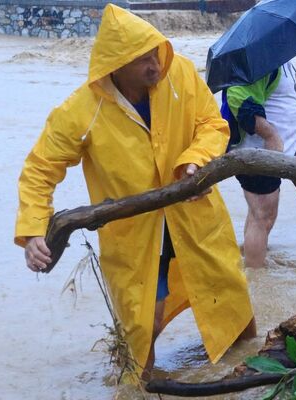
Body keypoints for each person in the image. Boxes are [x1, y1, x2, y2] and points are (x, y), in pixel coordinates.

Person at [15, 4, 255, 381]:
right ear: (115, 65)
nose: (155, 66)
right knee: (144, 317)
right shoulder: (82, 110)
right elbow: (40, 169)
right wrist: (33, 230)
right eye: (142, 60)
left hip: (194, 212)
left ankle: (246, 373)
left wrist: (194, 162)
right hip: (135, 231)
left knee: (230, 295)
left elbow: (212, 123)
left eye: (155, 53)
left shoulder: (180, 74)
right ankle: (138, 382)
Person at [221, 62, 296, 268]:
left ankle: (249, 260)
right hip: (258, 154)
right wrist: (270, 134)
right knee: (263, 217)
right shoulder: (258, 61)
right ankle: (257, 278)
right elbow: (237, 97)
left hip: (271, 156)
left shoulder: (278, 58)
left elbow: (273, 89)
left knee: (259, 215)